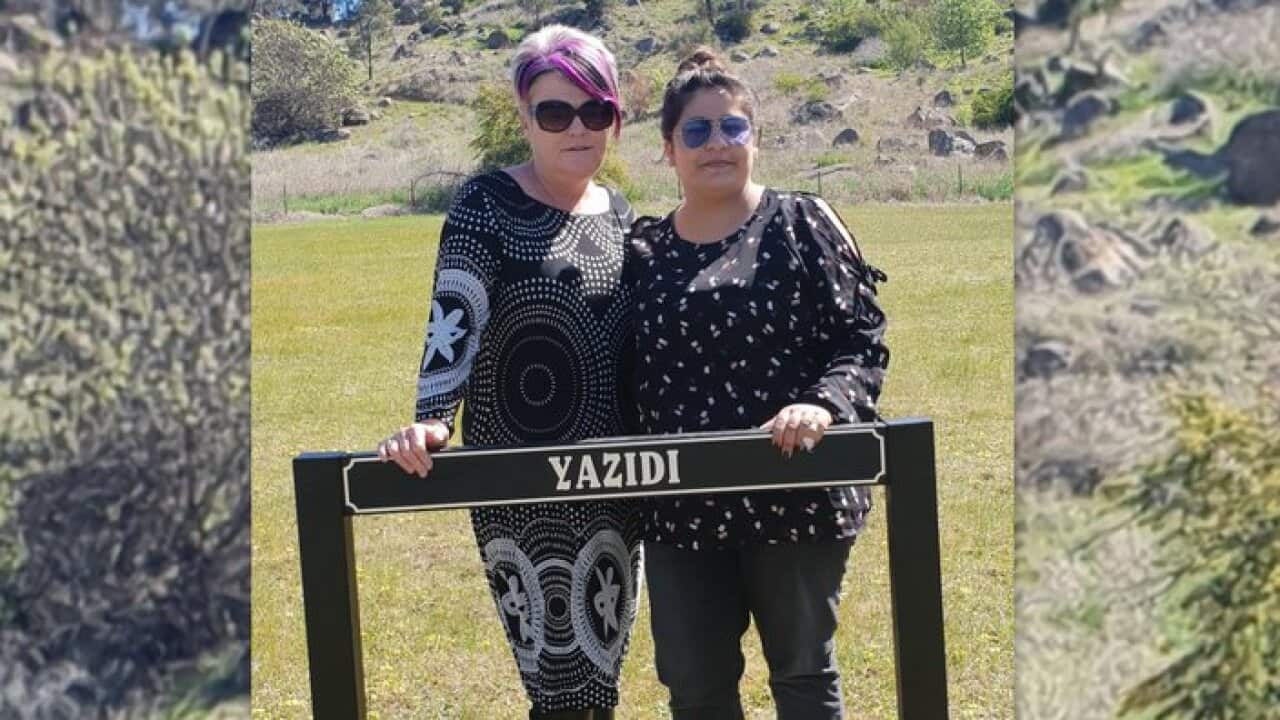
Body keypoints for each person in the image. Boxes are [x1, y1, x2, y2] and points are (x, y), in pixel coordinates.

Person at [377, 25, 639, 720]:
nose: (577, 128)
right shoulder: (484, 204)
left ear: (614, 117)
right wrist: (434, 418)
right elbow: (453, 315)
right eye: (555, 112)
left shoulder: (619, 213)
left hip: (612, 473)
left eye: (595, 111)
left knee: (602, 675)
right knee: (556, 679)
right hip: (519, 475)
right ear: (524, 117)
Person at [626, 48, 890, 719]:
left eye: (733, 128)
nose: (716, 143)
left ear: (757, 139)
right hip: (679, 508)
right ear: (667, 149)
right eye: (696, 131)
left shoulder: (803, 225)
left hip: (793, 494)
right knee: (694, 688)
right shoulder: (644, 251)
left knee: (802, 675)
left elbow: (859, 340)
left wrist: (824, 405)